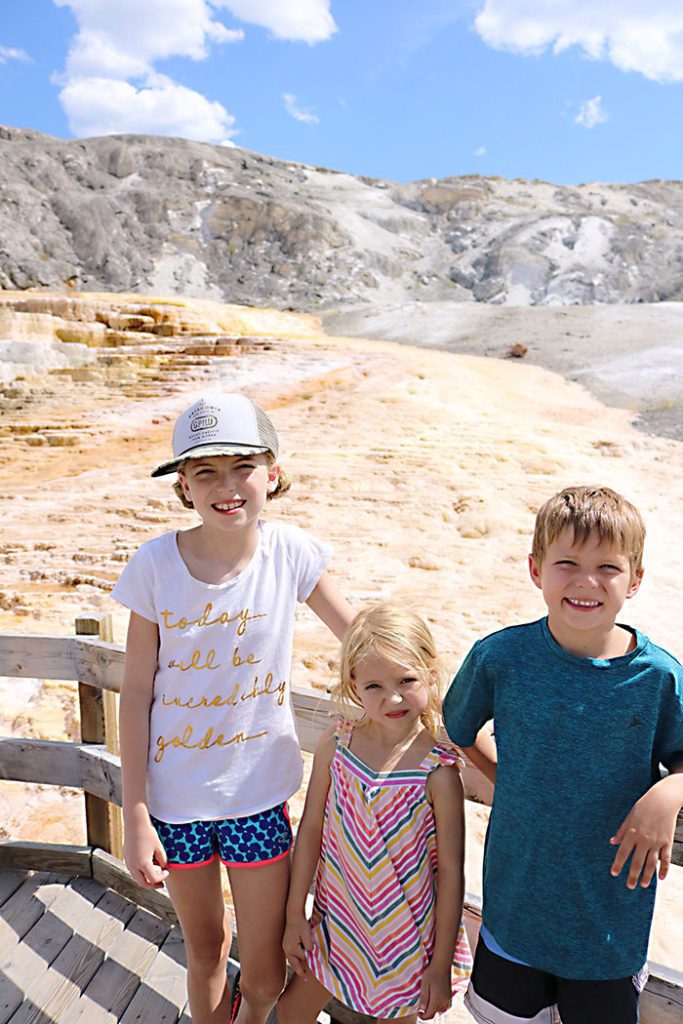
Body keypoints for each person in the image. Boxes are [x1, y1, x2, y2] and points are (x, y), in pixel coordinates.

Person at [112, 392, 354, 1024]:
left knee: (269, 970)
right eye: (205, 471)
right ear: (183, 486)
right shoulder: (155, 566)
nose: (227, 486)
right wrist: (135, 814)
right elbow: (136, 694)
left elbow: (362, 639)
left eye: (242, 465)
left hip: (257, 797)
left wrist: (429, 693)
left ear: (272, 472)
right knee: (208, 950)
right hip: (175, 803)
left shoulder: (291, 553)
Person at [443, 484, 683, 1024]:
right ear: (535, 569)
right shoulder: (501, 657)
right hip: (514, 915)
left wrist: (670, 790)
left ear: (636, 580)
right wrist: (511, 777)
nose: (585, 581)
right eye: (567, 562)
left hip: (607, 932)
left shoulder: (659, 676)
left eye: (608, 567)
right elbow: (458, 726)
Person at [278, 603, 472, 1024]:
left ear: (431, 673)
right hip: (335, 923)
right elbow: (311, 830)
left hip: (406, 938)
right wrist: (296, 913)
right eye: (374, 686)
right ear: (352, 685)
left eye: (407, 680)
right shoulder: (338, 744)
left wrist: (439, 967)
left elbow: (451, 874)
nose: (394, 698)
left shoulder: (438, 772)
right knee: (292, 1011)